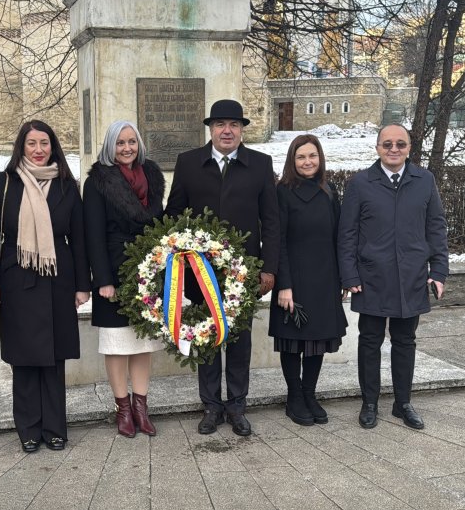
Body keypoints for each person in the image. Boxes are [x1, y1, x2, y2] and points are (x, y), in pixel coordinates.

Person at [166, 99, 280, 437]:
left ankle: (237, 405)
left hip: (244, 272)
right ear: (210, 129)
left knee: (239, 340)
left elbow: (271, 221)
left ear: (242, 129)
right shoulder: (188, 163)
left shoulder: (259, 164)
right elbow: (174, 215)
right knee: (206, 338)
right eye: (219, 124)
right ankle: (212, 406)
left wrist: (269, 267)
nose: (226, 130)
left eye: (233, 124)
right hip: (200, 272)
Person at [0, 120, 91, 454]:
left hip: (58, 278)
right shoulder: (4, 184)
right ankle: (28, 429)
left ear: (53, 146)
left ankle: (55, 428)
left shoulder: (67, 185)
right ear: (21, 147)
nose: (39, 150)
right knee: (24, 358)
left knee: (54, 359)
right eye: (32, 144)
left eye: (45, 143)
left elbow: (80, 237)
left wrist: (82, 285)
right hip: (18, 278)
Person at [337, 123, 449, 430]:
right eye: (387, 144)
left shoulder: (424, 181)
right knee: (369, 342)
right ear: (377, 148)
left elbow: (436, 228)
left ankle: (403, 403)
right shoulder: (361, 183)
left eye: (400, 144)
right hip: (371, 279)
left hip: (412, 277)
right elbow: (347, 235)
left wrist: (438, 270)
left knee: (405, 341)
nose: (394, 149)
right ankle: (369, 403)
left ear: (409, 148)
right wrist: (348, 276)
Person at [83, 121, 166, 438]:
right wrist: (103, 279)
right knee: (117, 346)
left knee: (143, 343)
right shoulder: (98, 182)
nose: (127, 148)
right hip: (115, 273)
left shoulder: (153, 177)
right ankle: (123, 410)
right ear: (110, 146)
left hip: (148, 272)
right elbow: (93, 234)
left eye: (132, 142)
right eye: (120, 143)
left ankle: (141, 408)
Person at [270, 134, 348, 426]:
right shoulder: (283, 192)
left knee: (317, 340)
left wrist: (342, 277)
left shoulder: (329, 192)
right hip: (294, 280)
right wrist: (284, 285)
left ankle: (309, 393)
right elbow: (278, 241)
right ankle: (294, 397)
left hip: (325, 278)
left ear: (320, 158)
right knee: (293, 341)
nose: (307, 162)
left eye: (312, 156)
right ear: (292, 160)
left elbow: (339, 236)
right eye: (301, 157)